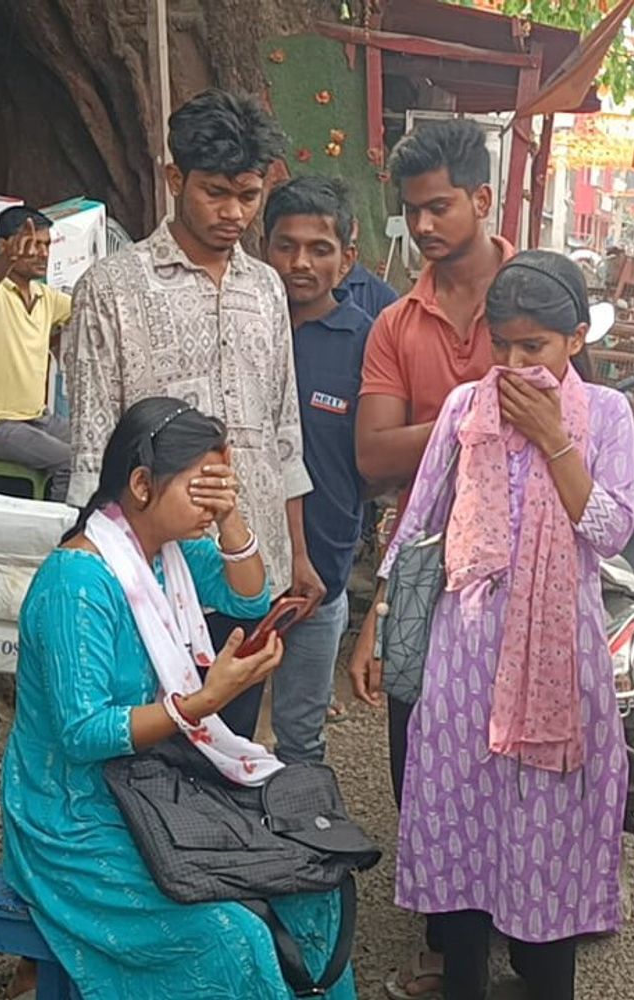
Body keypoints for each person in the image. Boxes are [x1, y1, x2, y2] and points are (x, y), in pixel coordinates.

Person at [1, 396, 356, 1000]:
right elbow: (83, 734)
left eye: (219, 489)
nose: (210, 506)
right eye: (200, 489)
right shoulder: (77, 583)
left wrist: (230, 516)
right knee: (233, 937)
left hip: (153, 786)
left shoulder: (165, 553)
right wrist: (203, 701)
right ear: (142, 485)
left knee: (311, 887)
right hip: (73, 818)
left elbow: (250, 597)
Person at [353, 251, 634, 1000]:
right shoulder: (463, 409)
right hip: (464, 653)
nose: (513, 365)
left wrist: (553, 438)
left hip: (559, 660)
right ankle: (462, 975)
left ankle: (545, 978)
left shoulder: (606, 415)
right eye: (501, 345)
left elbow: (610, 530)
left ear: (575, 338)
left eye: (533, 347)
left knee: (550, 828)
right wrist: (377, 626)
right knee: (462, 818)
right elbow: (420, 523)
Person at [65, 89, 324, 739]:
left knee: (231, 744)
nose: (234, 213)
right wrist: (92, 574)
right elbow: (92, 449)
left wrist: (296, 552)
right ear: (175, 178)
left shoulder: (266, 289)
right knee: (149, 750)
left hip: (248, 568)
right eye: (216, 193)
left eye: (249, 195)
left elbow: (283, 431)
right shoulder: (113, 288)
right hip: (147, 574)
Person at [351, 116, 513, 999]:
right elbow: (372, 455)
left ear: (482, 198)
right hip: (418, 559)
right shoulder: (395, 320)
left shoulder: (535, 293)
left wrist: (435, 422)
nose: (422, 225)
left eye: (440, 206)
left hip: (520, 559)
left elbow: (567, 424)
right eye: (412, 210)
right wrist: (475, 410)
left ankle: (520, 919)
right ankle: (446, 940)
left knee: (512, 741)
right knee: (415, 746)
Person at [262, 176, 372, 763]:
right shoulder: (246, 325)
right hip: (232, 568)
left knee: (300, 739)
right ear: (264, 247)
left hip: (321, 575)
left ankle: (297, 818)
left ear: (346, 258)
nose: (300, 263)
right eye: (286, 246)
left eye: (319, 249)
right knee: (213, 723)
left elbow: (375, 462)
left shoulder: (366, 343)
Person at [0, 206, 73, 502]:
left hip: (38, 418)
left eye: (46, 245)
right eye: (33, 245)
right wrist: (7, 259)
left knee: (99, 445)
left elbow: (87, 306)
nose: (43, 253)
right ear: (4, 246)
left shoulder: (45, 296)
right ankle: (63, 529)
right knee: (69, 461)